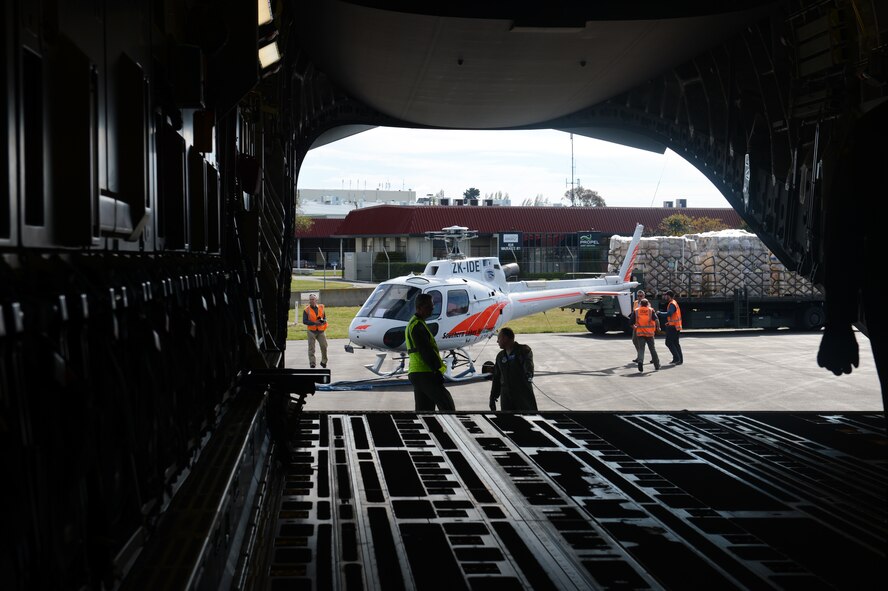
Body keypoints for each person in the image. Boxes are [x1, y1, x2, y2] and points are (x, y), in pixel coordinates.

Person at [406, 293, 456, 411]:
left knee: (425, 410)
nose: (433, 308)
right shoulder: (417, 326)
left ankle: (432, 429)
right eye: (429, 306)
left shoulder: (416, 323)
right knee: (446, 402)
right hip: (424, 372)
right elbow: (425, 351)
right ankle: (453, 428)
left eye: (432, 305)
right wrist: (436, 371)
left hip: (417, 372)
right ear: (419, 308)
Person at [489, 327, 537, 411]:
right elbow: (496, 378)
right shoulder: (500, 356)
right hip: (507, 401)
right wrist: (493, 397)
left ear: (505, 338)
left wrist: (529, 373)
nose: (497, 341)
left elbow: (528, 364)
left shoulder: (523, 351)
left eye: (499, 338)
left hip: (523, 399)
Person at [629, 299, 660, 372]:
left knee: (641, 349)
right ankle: (656, 365)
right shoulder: (650, 310)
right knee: (652, 349)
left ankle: (640, 361)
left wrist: (634, 328)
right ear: (647, 304)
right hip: (650, 334)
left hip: (640, 333)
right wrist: (658, 327)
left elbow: (630, 322)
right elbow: (656, 320)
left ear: (641, 304)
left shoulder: (636, 311)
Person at [657, 289, 683, 365]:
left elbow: (669, 313)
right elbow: (673, 316)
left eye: (666, 295)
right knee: (675, 343)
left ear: (669, 296)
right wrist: (669, 322)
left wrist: (660, 313)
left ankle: (677, 358)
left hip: (673, 327)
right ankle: (679, 359)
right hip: (675, 326)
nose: (665, 297)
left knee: (668, 343)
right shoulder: (673, 303)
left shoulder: (672, 304)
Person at [302, 293, 328, 368]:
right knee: (311, 348)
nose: (311, 301)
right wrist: (314, 323)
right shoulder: (306, 310)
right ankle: (312, 363)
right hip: (311, 331)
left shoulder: (321, 308)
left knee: (324, 346)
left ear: (316, 300)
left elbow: (325, 318)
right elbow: (304, 321)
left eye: (313, 299)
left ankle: (324, 361)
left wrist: (323, 321)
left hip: (321, 331)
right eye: (310, 300)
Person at [630, 290, 648, 363]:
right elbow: (634, 313)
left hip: (644, 327)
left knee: (649, 343)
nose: (640, 297)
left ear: (644, 296)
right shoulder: (635, 302)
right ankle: (639, 356)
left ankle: (653, 358)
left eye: (641, 296)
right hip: (637, 325)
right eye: (638, 296)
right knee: (634, 340)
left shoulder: (647, 303)